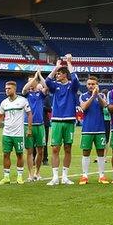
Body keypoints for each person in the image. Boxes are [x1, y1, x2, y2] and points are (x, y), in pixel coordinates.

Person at [44, 54, 79, 186]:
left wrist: (69, 63)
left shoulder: (72, 86)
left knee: (68, 148)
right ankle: (54, 177)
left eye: (59, 73)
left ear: (64, 75)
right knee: (55, 149)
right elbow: (47, 81)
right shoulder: (54, 86)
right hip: (57, 120)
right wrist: (56, 67)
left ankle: (65, 176)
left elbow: (75, 78)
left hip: (69, 120)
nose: (57, 75)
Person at [0, 81, 31, 184]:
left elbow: (29, 114)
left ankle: (19, 176)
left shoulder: (23, 101)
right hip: (7, 133)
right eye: (5, 88)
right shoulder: (4, 102)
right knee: (6, 154)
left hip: (18, 134)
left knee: (19, 154)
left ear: (14, 89)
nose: (7, 90)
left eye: (9, 88)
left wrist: (29, 129)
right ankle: (6, 177)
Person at [78, 76, 109, 184]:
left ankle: (101, 175)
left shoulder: (101, 95)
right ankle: (85, 175)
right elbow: (84, 107)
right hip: (87, 129)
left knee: (100, 152)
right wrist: (92, 97)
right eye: (89, 84)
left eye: (93, 84)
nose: (91, 86)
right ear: (86, 85)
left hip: (100, 128)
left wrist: (97, 95)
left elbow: (104, 105)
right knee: (86, 152)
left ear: (97, 85)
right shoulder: (83, 96)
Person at [21, 70, 48, 181]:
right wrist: (33, 79)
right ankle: (30, 174)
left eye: (33, 82)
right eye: (29, 82)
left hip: (40, 125)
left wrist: (39, 76)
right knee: (29, 151)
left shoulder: (40, 94)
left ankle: (37, 172)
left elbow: (46, 86)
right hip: (28, 125)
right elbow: (24, 89)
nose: (31, 84)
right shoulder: (26, 94)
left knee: (40, 150)